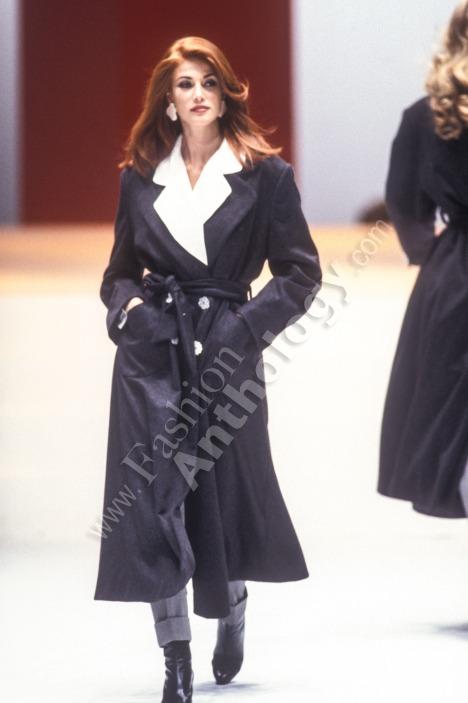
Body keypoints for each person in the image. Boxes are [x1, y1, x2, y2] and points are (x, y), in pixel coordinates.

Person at [93, 36, 322, 701]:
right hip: (153, 358)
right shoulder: (139, 177)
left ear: (226, 95)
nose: (198, 94)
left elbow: (301, 273)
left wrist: (241, 330)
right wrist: (134, 313)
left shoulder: (265, 176)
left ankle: (234, 609)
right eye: (186, 84)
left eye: (209, 83)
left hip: (226, 355)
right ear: (167, 100)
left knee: (226, 495)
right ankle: (174, 657)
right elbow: (117, 275)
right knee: (154, 502)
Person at [378, 2, 468, 519]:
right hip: (456, 272)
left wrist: (432, 254)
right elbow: (402, 199)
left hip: (452, 269)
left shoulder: (425, 113)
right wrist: (433, 256)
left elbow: (403, 199)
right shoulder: (427, 115)